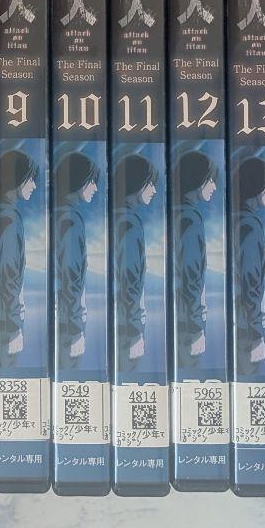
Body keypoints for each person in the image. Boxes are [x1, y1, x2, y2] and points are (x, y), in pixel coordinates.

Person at [54, 150, 101, 367]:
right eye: (91, 181)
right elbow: (71, 278)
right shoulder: (71, 221)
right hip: (67, 327)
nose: (95, 188)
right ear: (79, 181)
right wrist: (75, 331)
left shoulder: (58, 215)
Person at [174, 149, 219, 369]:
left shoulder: (175, 214)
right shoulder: (191, 220)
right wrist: (196, 328)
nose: (214, 187)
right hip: (186, 325)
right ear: (198, 180)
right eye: (210, 180)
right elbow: (191, 276)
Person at [234, 155, 265, 375]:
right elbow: (250, 283)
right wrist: (256, 334)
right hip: (246, 332)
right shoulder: (250, 226)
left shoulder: (234, 221)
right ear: (258, 187)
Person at [114, 152, 158, 369]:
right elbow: (130, 282)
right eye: (150, 184)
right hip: (126, 331)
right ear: (137, 184)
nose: (154, 190)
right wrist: (134, 332)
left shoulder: (116, 218)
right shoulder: (130, 224)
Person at [0, 149, 38, 363]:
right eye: (30, 179)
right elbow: (9, 275)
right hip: (5, 324)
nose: (34, 185)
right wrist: (14, 328)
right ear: (18, 179)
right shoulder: (10, 219)